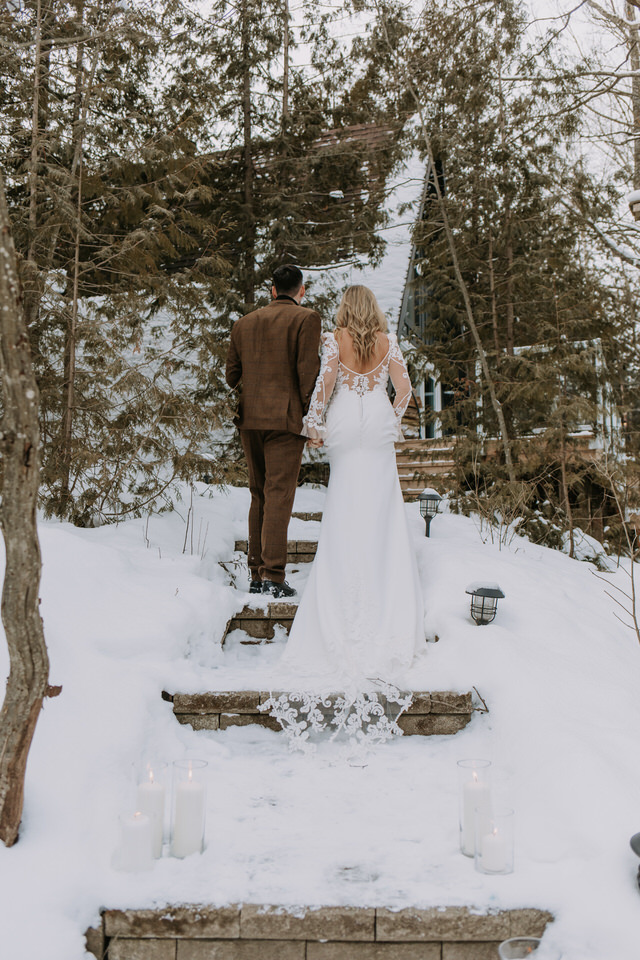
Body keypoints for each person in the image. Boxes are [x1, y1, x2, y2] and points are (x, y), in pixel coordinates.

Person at [280, 284, 425, 686]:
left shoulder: (334, 340)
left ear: (346, 308)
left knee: (344, 501)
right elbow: (407, 389)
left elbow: (325, 385)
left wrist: (314, 424)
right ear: (374, 309)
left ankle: (343, 584)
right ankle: (382, 579)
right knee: (382, 503)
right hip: (377, 421)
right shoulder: (388, 342)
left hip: (344, 422)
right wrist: (393, 419)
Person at [226, 265, 322, 598]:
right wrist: (306, 413)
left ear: (272, 289)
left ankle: (256, 573)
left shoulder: (243, 324)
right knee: (279, 494)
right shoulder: (307, 319)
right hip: (285, 419)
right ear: (301, 290)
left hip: (250, 418)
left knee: (259, 494)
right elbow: (308, 374)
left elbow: (231, 376)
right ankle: (273, 576)